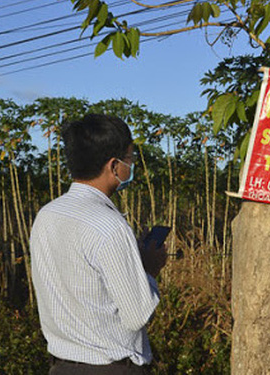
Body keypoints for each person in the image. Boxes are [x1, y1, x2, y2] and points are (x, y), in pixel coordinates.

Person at [30, 113, 167, 375]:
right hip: (110, 368)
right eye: (130, 159)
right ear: (114, 166)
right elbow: (138, 314)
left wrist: (129, 261)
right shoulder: (110, 225)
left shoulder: (47, 214)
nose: (132, 165)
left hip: (61, 366)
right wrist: (149, 269)